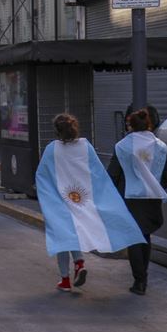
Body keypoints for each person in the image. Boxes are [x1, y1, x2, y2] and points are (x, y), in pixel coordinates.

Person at [34, 113, 144, 293]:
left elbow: (42, 175)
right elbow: (97, 173)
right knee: (75, 232)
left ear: (57, 131)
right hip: (83, 200)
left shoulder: (51, 149)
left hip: (60, 201)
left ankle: (65, 280)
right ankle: (78, 263)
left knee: (63, 236)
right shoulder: (86, 147)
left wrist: (47, 196)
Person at [107, 108, 167, 295]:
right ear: (149, 124)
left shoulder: (122, 146)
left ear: (130, 126)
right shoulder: (160, 146)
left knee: (133, 238)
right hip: (152, 198)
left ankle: (140, 280)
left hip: (129, 198)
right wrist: (155, 184)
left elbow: (112, 174)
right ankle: (142, 276)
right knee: (145, 235)